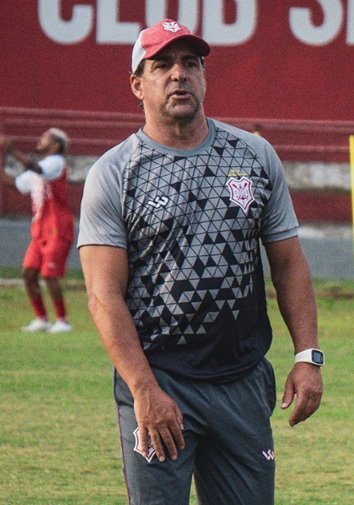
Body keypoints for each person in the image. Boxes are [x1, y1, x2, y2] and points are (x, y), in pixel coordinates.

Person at [77, 19, 323, 505]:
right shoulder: (114, 174)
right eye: (162, 65)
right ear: (137, 85)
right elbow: (103, 296)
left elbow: (289, 263)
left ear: (204, 77)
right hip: (159, 379)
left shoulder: (254, 156)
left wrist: (307, 355)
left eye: (190, 63)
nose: (178, 75)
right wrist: (144, 390)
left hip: (243, 381)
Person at [0, 128, 74, 333]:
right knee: (29, 273)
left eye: (45, 138)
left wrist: (12, 151)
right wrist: (3, 156)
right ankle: (41, 319)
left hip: (57, 227)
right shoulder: (39, 168)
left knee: (49, 274)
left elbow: (36, 169)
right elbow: (14, 184)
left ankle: (63, 320)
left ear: (56, 145)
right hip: (39, 227)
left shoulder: (56, 162)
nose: (39, 140)